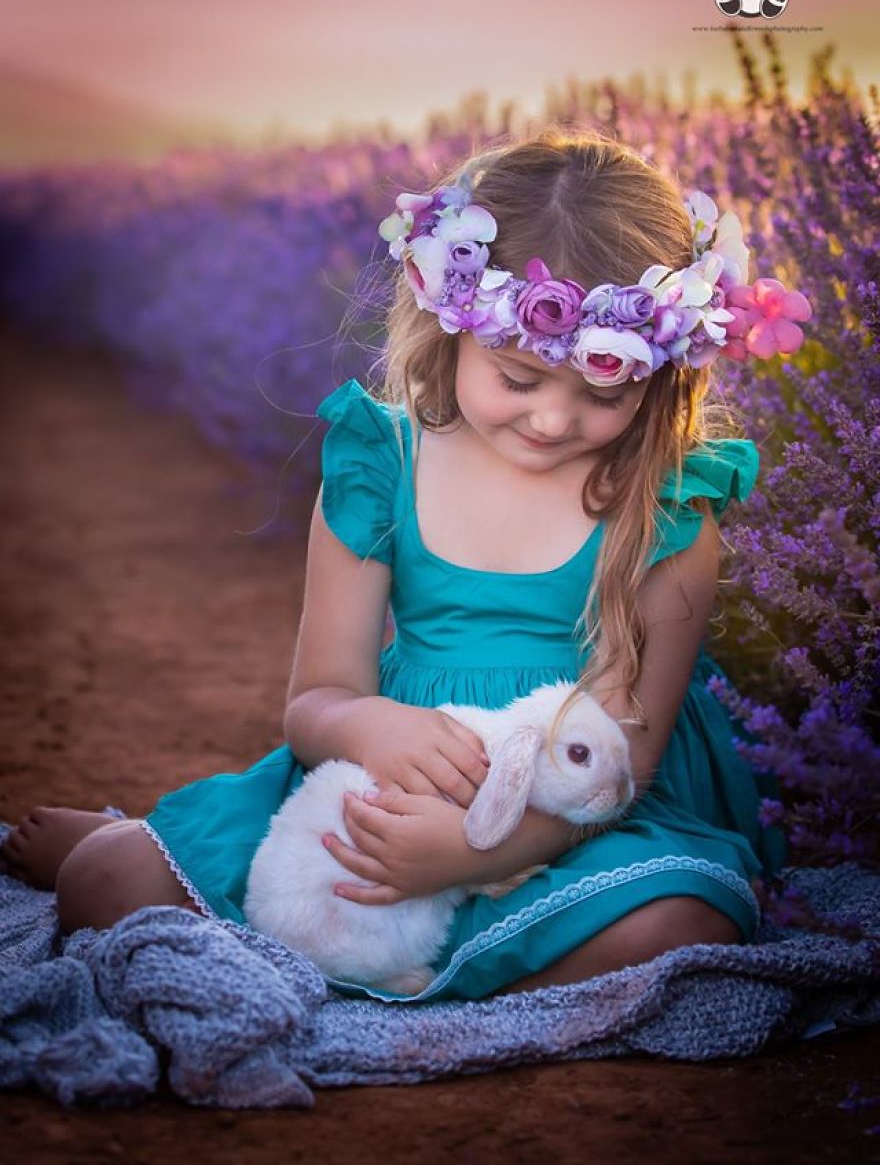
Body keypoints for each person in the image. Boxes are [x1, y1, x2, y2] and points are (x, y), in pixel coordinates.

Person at [2, 128, 804, 1003]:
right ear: (449, 322)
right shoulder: (380, 461)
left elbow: (623, 764)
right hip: (385, 781)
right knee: (105, 884)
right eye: (518, 377)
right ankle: (157, 846)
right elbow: (318, 704)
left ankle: (409, 962)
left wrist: (476, 850)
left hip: (569, 824)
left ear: (657, 375)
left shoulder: (671, 501)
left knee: (681, 922)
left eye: (603, 392)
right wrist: (378, 730)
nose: (550, 420)